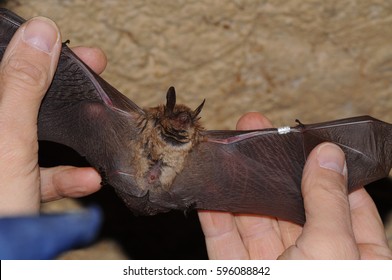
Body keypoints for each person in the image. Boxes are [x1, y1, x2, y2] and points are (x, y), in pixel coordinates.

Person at [0, 16, 391, 259]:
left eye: (188, 123)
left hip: (166, 189)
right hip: (125, 171)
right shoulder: (126, 123)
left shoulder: (206, 150)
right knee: (87, 92)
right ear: (164, 114)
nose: (183, 124)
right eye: (178, 119)